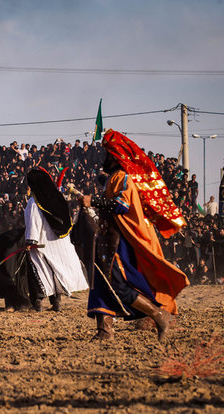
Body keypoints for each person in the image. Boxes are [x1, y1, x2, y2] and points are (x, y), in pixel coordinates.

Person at [80, 129, 190, 342]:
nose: (105, 157)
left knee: (119, 285)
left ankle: (159, 316)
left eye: (108, 153)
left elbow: (122, 205)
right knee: (100, 282)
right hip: (106, 238)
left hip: (118, 241)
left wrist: (92, 201)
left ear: (115, 156)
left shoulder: (124, 178)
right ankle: (105, 330)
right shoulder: (113, 177)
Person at [23, 168, 89, 311]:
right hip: (60, 243)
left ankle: (37, 302)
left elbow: (34, 222)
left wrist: (30, 241)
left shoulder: (34, 202)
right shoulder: (57, 198)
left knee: (38, 271)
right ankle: (56, 303)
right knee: (56, 269)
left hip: (41, 243)